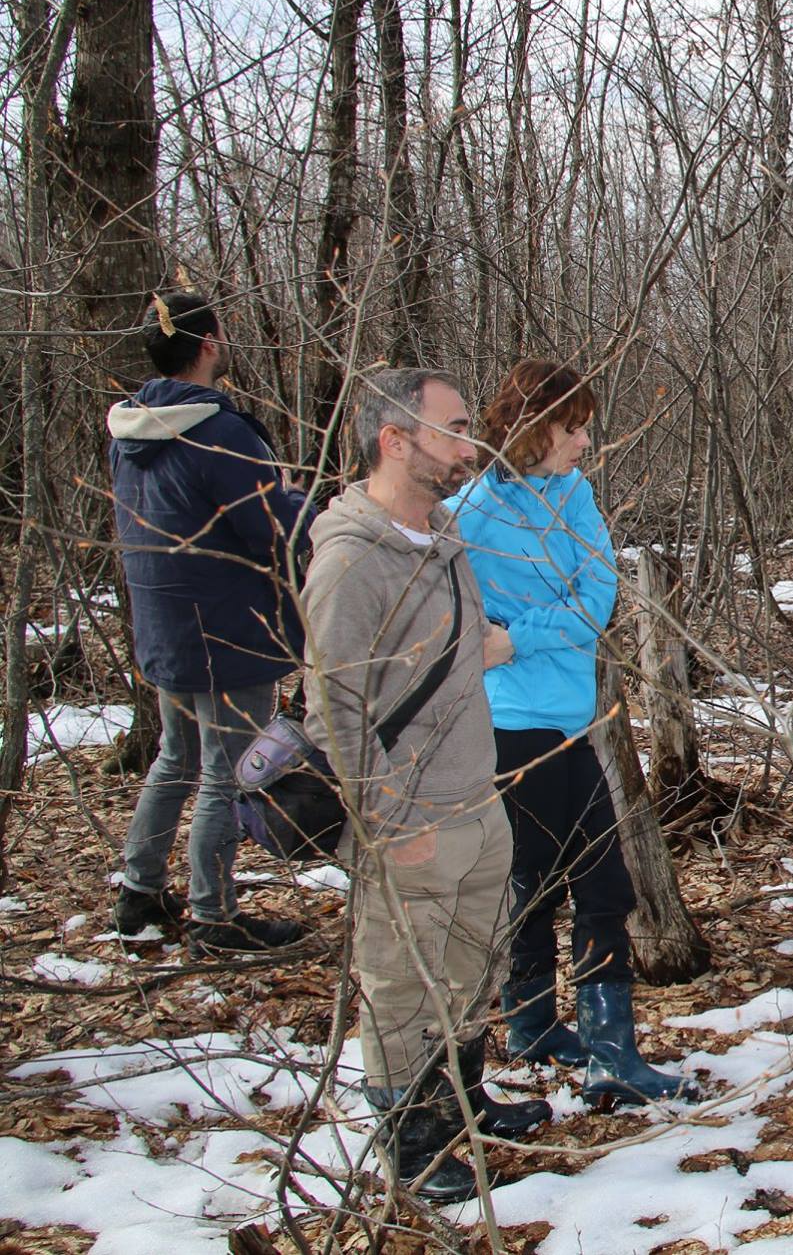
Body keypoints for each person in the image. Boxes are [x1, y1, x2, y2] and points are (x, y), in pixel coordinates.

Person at [303, 368, 549, 1203]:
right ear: (394, 441)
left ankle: (459, 1105)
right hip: (409, 819)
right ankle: (411, 1146)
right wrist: (388, 822)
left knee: (472, 968)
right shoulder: (350, 560)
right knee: (402, 986)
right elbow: (332, 709)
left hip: (477, 800)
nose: (469, 446)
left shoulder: (443, 537)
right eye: (453, 429)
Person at [449, 360, 694, 1103]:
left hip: (569, 718)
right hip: (507, 727)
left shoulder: (574, 495)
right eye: (573, 426)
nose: (587, 441)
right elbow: (462, 622)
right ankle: (553, 1034)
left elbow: (597, 598)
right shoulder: (468, 514)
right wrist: (505, 638)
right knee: (540, 882)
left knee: (587, 880)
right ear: (532, 427)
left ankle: (591, 1045)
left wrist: (519, 634)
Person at [107, 291, 310, 955]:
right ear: (208, 345)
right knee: (228, 773)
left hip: (167, 629)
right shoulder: (221, 433)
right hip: (230, 632)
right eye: (221, 332)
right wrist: (311, 508)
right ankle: (212, 918)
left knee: (178, 758)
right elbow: (273, 529)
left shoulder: (128, 435)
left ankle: (138, 892)